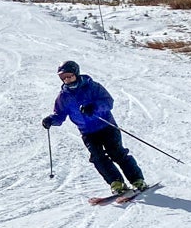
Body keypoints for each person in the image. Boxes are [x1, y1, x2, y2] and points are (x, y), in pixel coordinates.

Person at [42, 60, 147, 196]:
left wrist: (94, 107)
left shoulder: (92, 87)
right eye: (63, 78)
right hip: (87, 132)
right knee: (97, 157)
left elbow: (108, 102)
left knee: (116, 152)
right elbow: (59, 115)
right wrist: (51, 120)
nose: (66, 80)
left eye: (69, 76)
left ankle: (137, 180)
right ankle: (116, 182)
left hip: (106, 126)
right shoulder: (63, 97)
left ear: (76, 74)